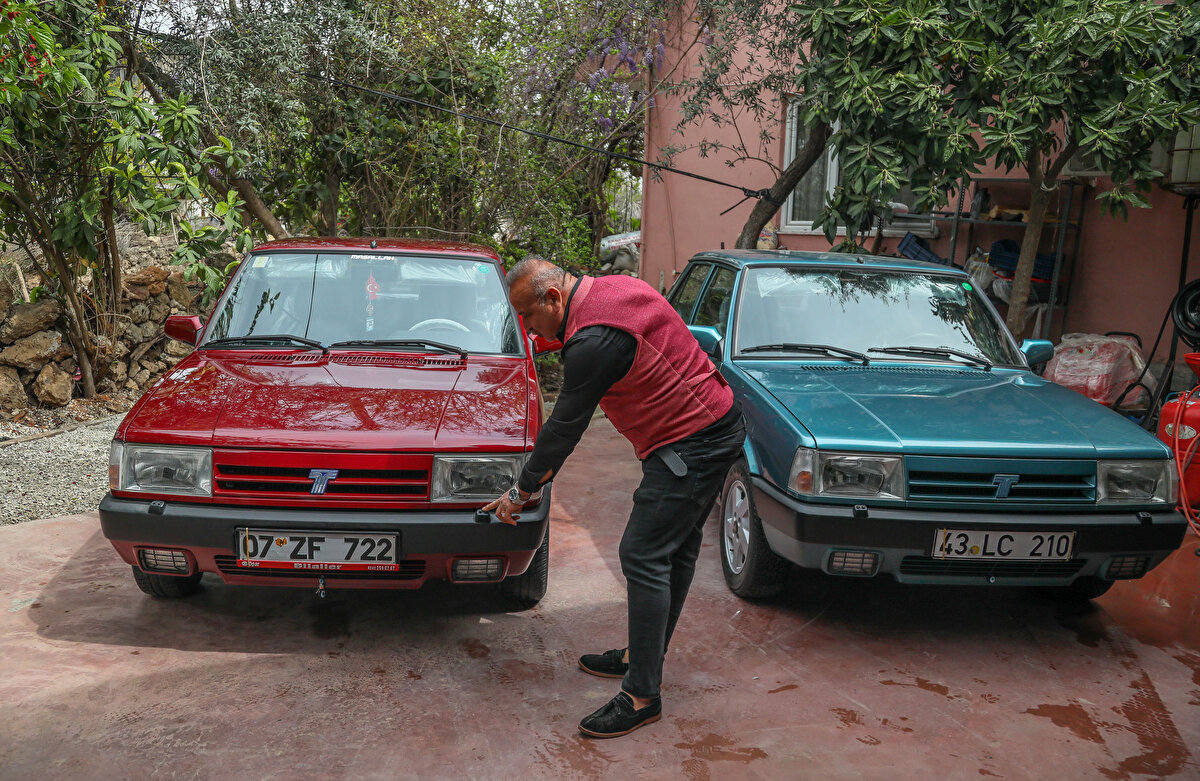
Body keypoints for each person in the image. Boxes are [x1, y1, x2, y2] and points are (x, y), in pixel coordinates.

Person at [482, 256, 746, 739]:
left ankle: (642, 695)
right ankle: (643, 656)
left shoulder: (594, 342)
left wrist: (522, 489)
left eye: (529, 317)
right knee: (675, 549)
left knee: (643, 553)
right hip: (711, 424)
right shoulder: (612, 289)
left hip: (695, 441)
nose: (529, 329)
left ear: (554, 299)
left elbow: (563, 428)